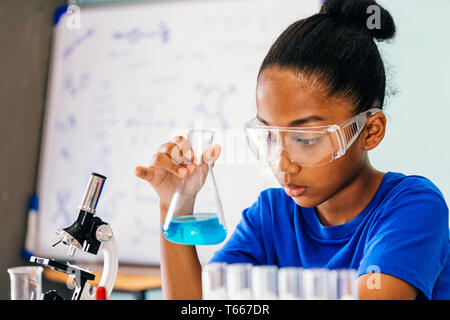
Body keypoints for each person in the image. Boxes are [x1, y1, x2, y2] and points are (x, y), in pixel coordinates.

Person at [135, 0, 450, 300]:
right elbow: (199, 304)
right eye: (270, 137)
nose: (283, 164)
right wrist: (173, 204)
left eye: (305, 139)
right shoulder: (272, 214)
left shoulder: (412, 206)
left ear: (369, 131)